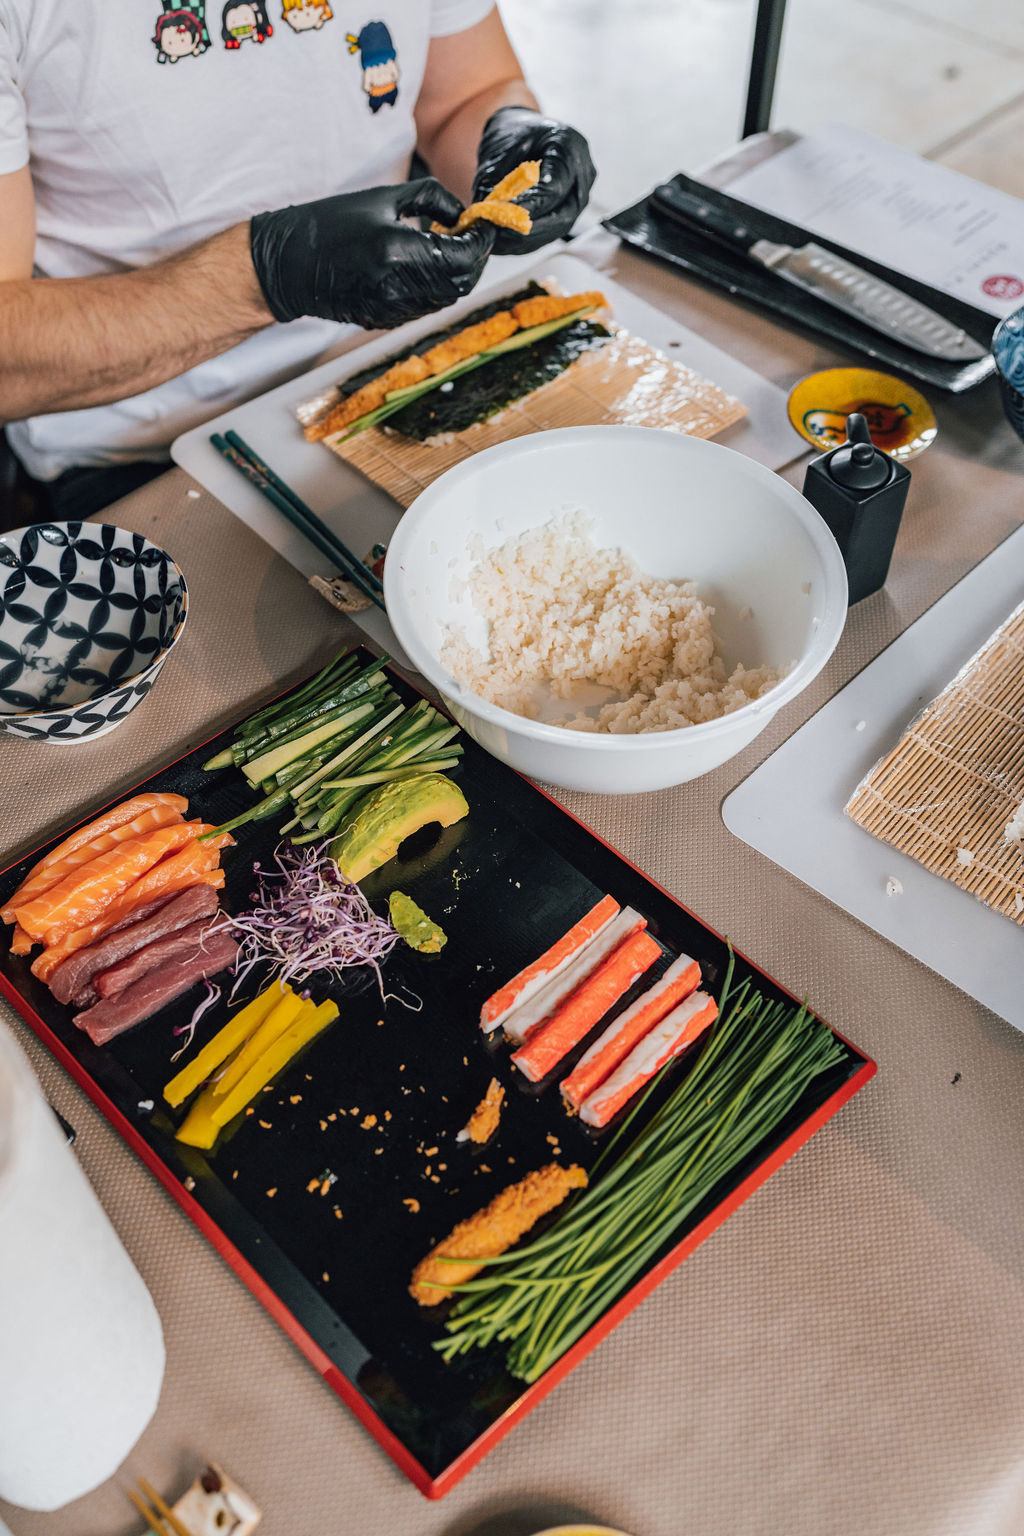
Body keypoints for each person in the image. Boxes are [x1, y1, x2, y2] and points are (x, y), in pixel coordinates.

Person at [0, 3, 595, 520]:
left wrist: (509, 136)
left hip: (404, 358)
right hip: (148, 445)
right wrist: (263, 278)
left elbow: (466, 94)